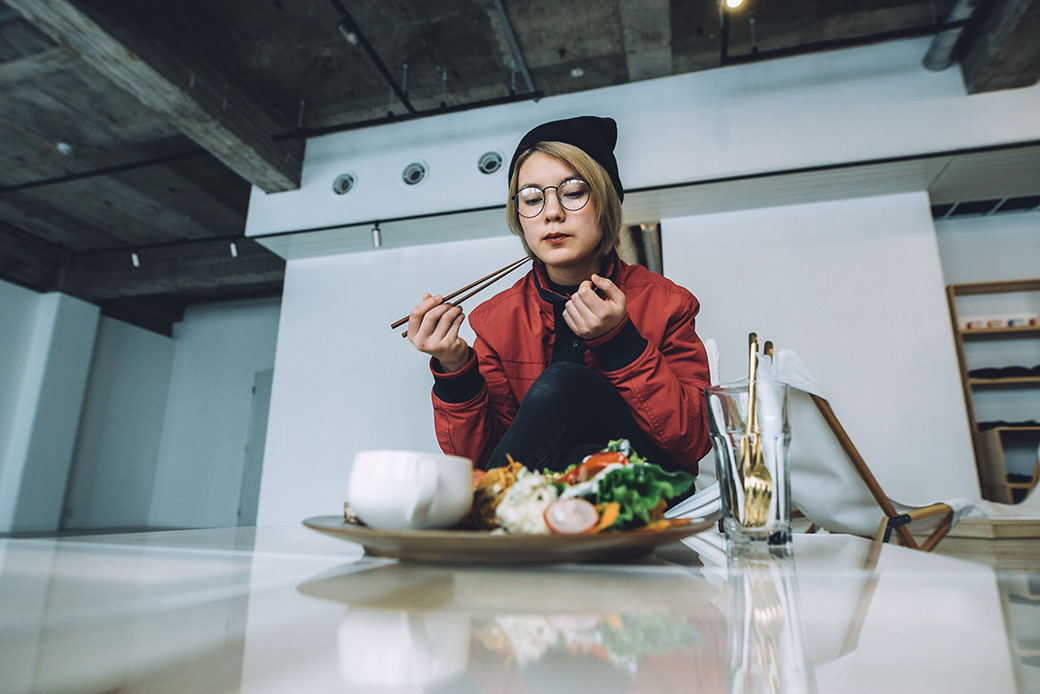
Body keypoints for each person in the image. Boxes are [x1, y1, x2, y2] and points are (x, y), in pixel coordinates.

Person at [407, 115, 711, 474]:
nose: (552, 213)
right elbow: (482, 461)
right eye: (531, 198)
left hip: (648, 487)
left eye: (573, 193)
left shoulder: (667, 303)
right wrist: (455, 369)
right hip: (546, 495)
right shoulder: (497, 320)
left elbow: (692, 444)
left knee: (565, 382)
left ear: (606, 203)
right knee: (575, 457)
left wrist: (620, 342)